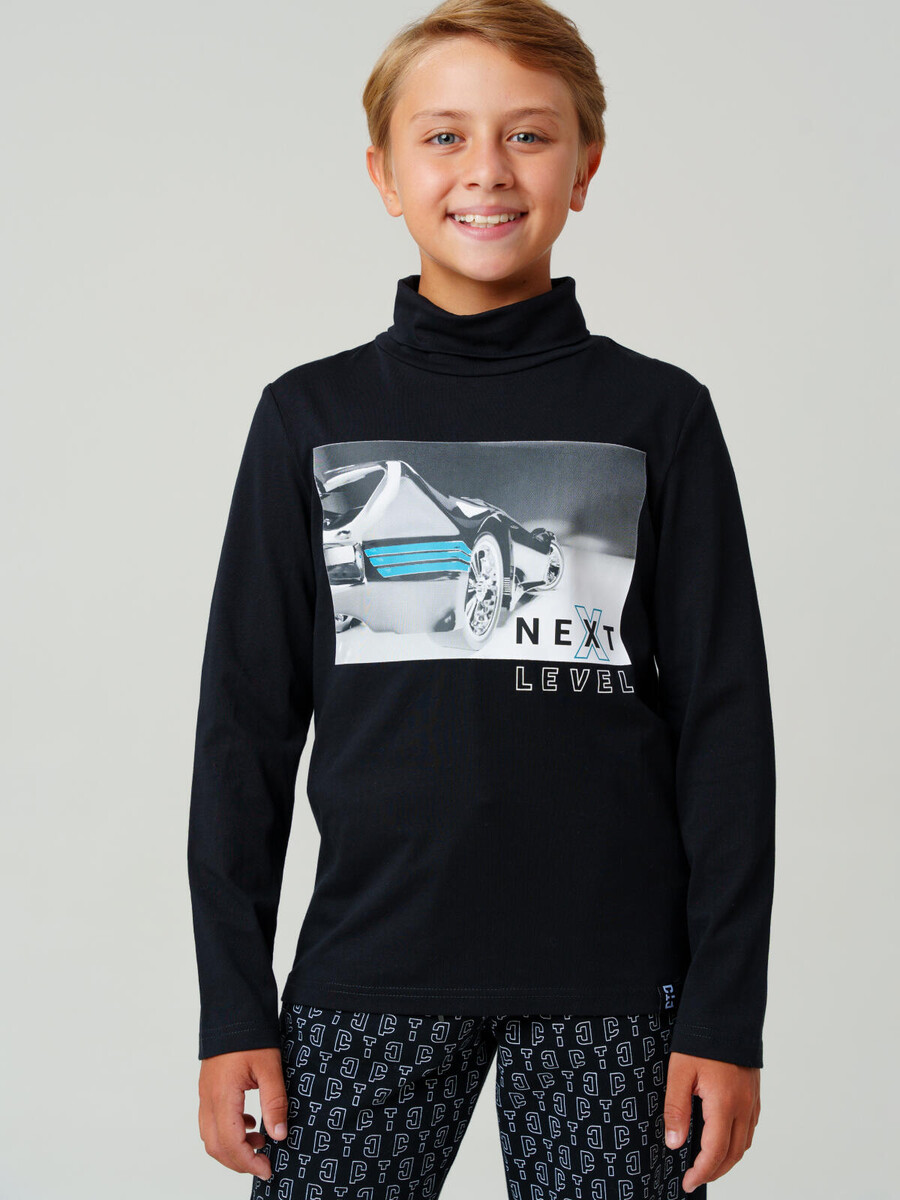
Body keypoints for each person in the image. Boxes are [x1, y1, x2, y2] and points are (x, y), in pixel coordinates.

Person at [187, 1, 776, 1196]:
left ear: (585, 167)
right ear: (385, 175)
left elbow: (726, 728)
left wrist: (725, 1012)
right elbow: (244, 728)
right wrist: (232, 1005)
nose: (488, 171)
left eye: (530, 135)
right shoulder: (308, 418)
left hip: (617, 990)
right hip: (368, 969)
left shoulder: (661, 416)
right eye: (444, 136)